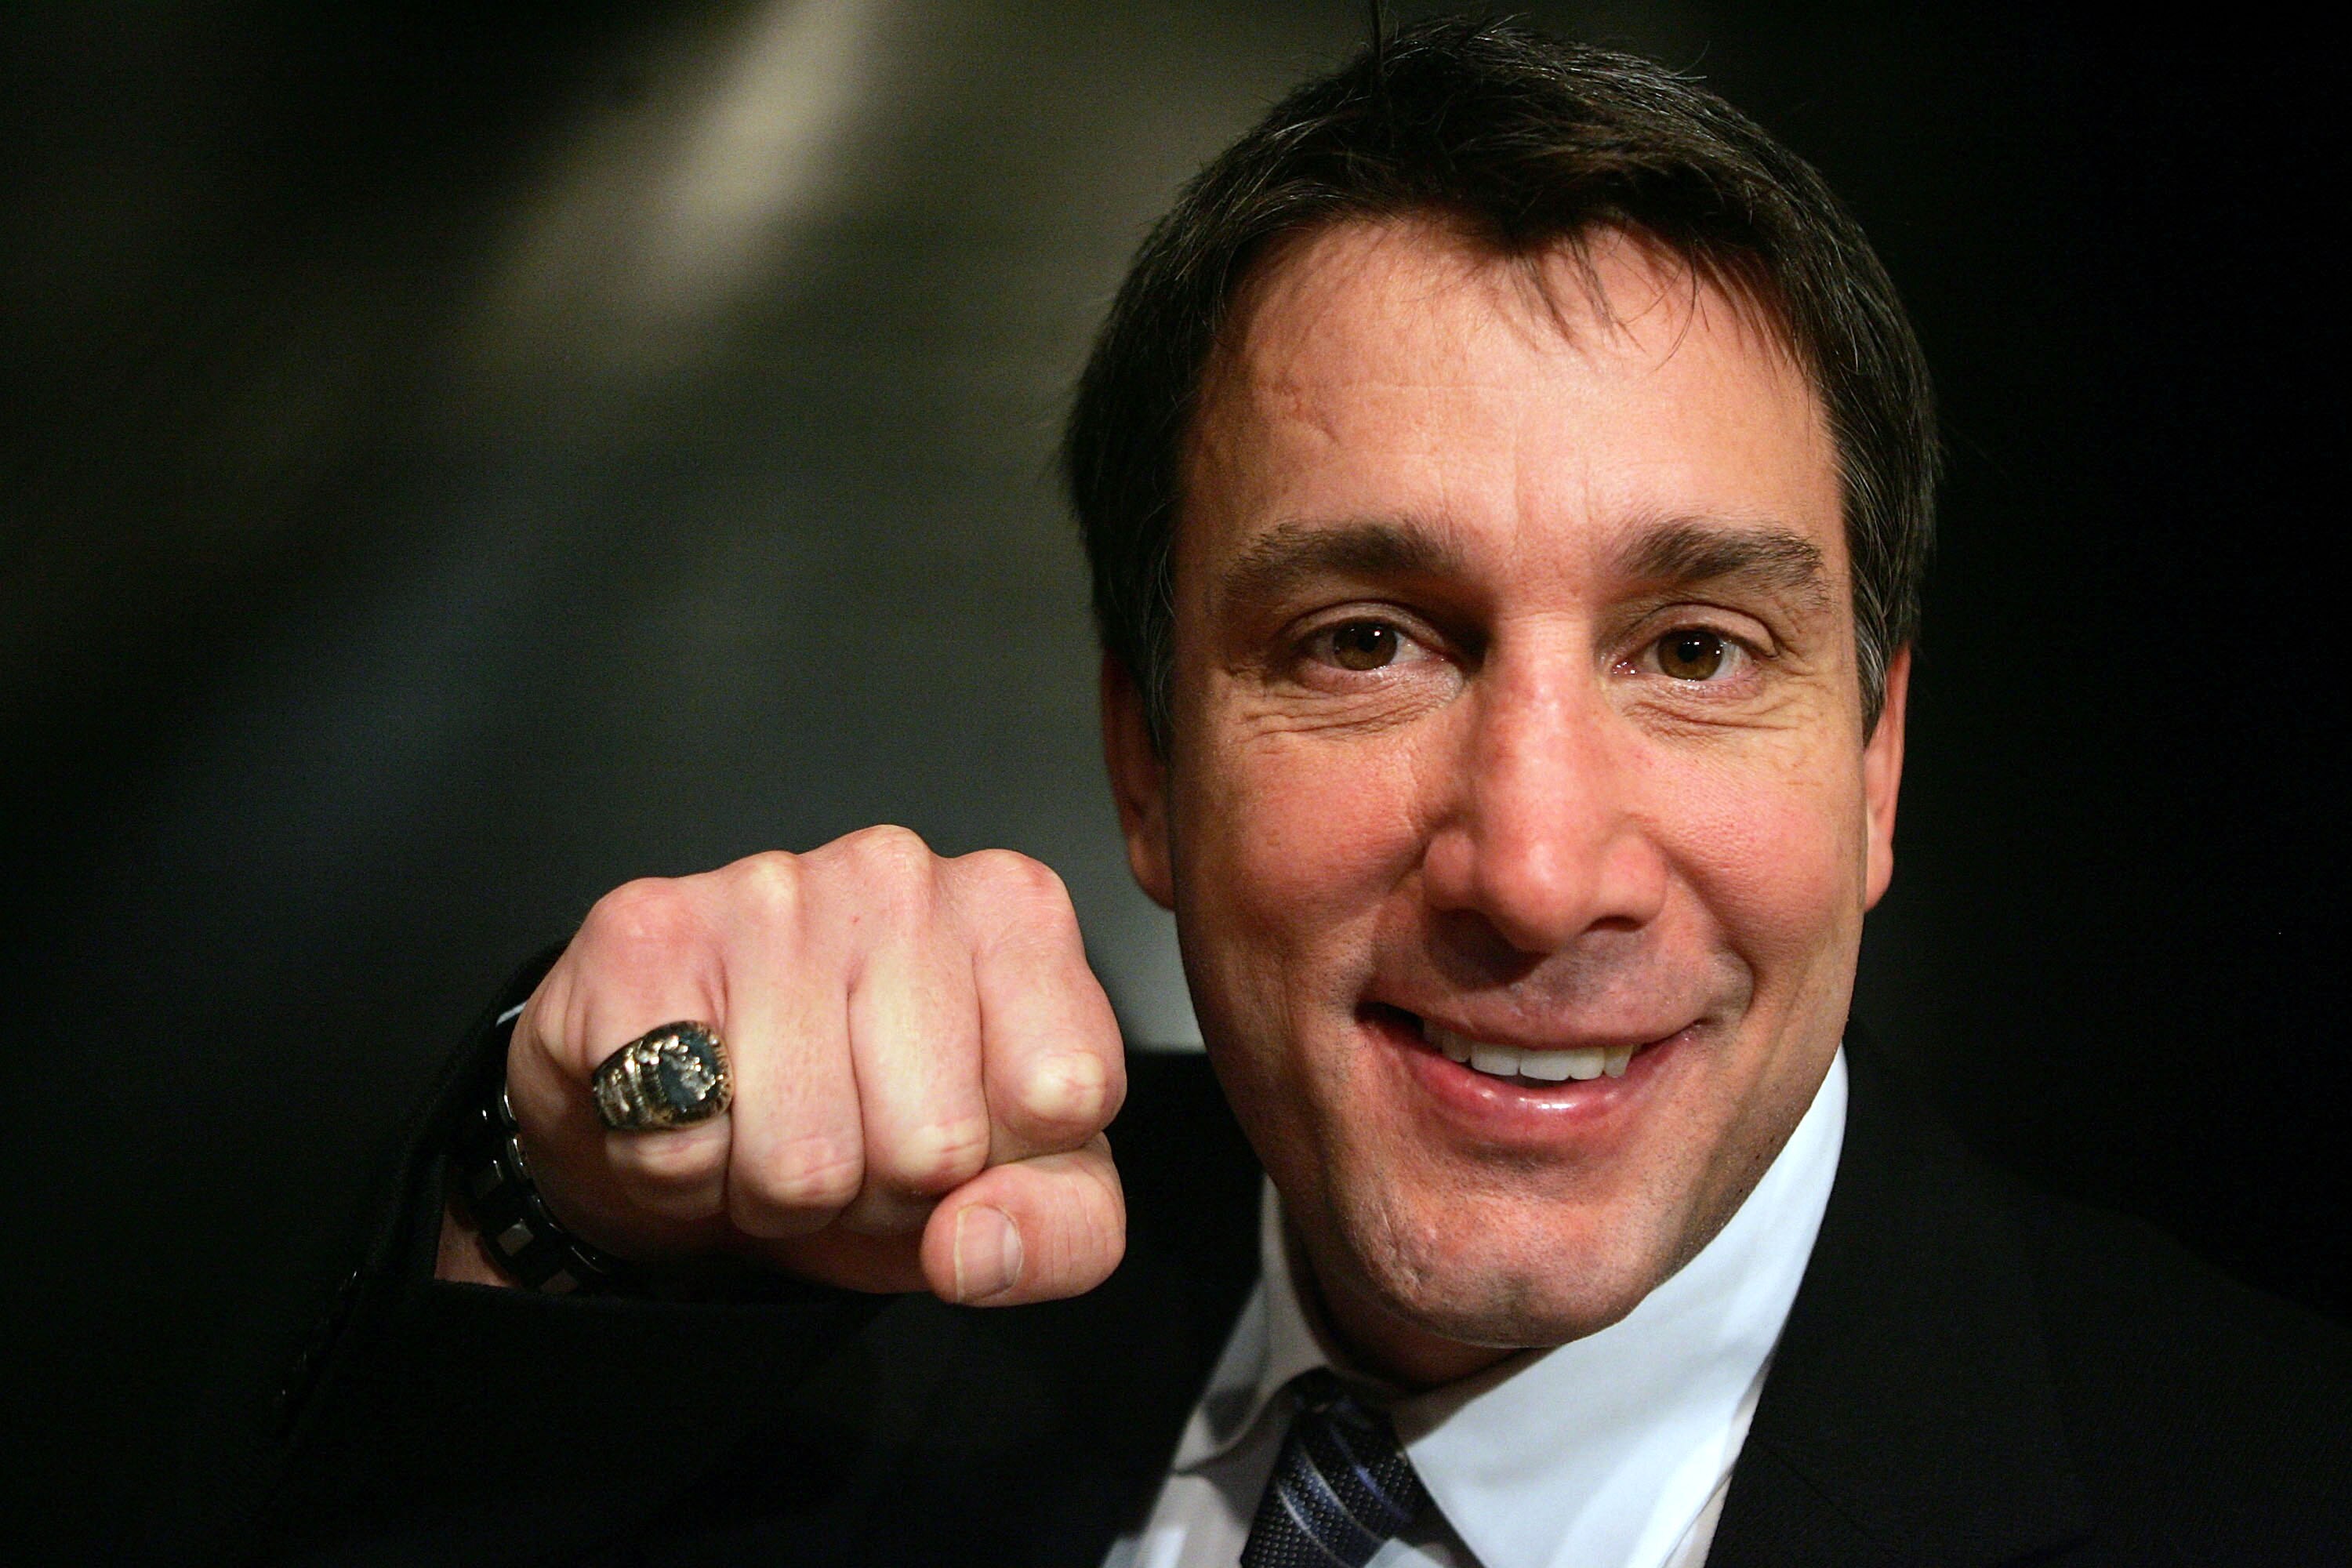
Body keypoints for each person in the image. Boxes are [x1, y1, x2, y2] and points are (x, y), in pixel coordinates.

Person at [245, 19, 2350, 1566]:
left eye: (1697, 650)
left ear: (1877, 762)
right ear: (1147, 764)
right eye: (1365, 643)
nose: (1537, 871)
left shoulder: (2272, 1489)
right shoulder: (829, 1353)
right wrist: (554, 1204)